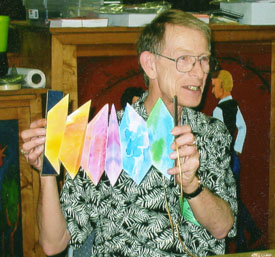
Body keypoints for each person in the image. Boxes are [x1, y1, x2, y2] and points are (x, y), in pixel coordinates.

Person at [21, 9, 237, 257]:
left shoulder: (212, 133)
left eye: (204, 59)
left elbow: (222, 228)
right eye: (185, 59)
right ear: (150, 64)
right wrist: (46, 171)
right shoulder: (105, 135)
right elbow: (53, 243)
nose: (200, 73)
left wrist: (192, 186)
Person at [211, 70, 261, 252]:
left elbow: (216, 138)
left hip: (224, 161)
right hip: (234, 159)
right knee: (235, 199)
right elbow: (242, 127)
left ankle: (243, 238)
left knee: (231, 201)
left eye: (214, 86)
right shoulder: (234, 105)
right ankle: (248, 234)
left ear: (222, 86)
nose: (212, 91)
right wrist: (236, 149)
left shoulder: (218, 110)